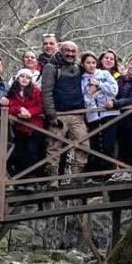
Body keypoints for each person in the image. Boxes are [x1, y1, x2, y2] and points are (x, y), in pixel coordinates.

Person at [41, 41, 88, 182]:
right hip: (58, 114)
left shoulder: (78, 67)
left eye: (73, 51)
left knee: (84, 145)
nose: (70, 53)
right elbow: (46, 91)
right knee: (54, 147)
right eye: (67, 50)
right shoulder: (51, 67)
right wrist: (51, 114)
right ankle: (53, 179)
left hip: (77, 114)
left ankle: (76, 176)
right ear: (60, 51)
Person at [81, 52, 119, 174]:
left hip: (108, 113)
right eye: (88, 63)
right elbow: (84, 99)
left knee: (109, 144)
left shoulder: (104, 74)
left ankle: (110, 172)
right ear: (83, 64)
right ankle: (97, 173)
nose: (91, 65)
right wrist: (90, 94)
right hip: (92, 115)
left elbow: (114, 91)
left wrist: (100, 85)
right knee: (95, 145)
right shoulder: (81, 78)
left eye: (93, 62)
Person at [6, 68, 45, 182]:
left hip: (34, 126)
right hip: (20, 128)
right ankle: (20, 180)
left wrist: (29, 113)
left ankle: (31, 180)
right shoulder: (12, 92)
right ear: (17, 78)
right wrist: (20, 109)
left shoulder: (36, 91)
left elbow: (40, 107)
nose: (25, 79)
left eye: (27, 77)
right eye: (22, 76)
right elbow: (9, 106)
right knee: (20, 154)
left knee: (32, 153)